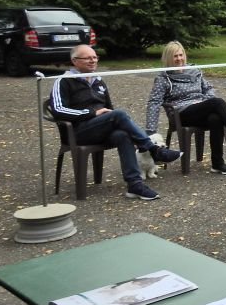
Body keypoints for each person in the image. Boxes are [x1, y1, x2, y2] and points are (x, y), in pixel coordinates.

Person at [49, 45, 182, 201]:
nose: (93, 60)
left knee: (122, 134)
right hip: (77, 132)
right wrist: (92, 113)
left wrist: (129, 131)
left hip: (100, 130)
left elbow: (109, 110)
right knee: (119, 114)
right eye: (88, 58)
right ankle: (154, 150)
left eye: (95, 57)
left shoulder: (98, 81)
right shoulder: (64, 81)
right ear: (74, 61)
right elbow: (58, 110)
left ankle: (134, 185)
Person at [144, 41, 226, 176]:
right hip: (181, 113)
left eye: (181, 55)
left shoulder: (194, 71)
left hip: (200, 109)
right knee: (217, 103)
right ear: (168, 58)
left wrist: (206, 101)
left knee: (216, 118)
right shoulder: (163, 78)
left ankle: (217, 164)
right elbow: (154, 102)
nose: (179, 59)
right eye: (175, 56)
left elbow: (208, 88)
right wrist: (150, 131)